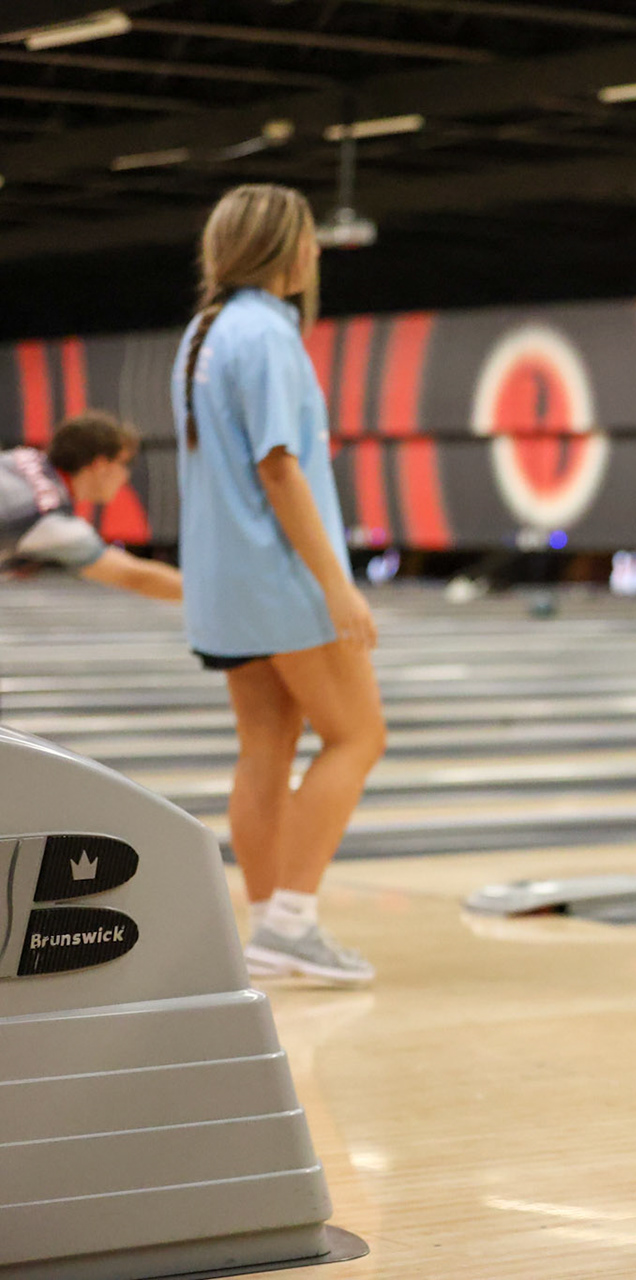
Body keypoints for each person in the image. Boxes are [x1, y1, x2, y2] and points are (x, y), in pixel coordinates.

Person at [172, 183, 385, 987]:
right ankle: (291, 924)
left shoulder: (206, 330)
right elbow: (279, 467)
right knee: (359, 736)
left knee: (266, 746)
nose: (317, 250)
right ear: (282, 248)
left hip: (226, 586)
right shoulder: (268, 332)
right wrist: (338, 585)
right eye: (309, 237)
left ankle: (266, 926)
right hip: (282, 580)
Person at [1, 411, 181, 601]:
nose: (126, 476)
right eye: (125, 464)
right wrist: (200, 594)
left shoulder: (22, 455)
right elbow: (135, 576)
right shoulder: (53, 522)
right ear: (101, 465)